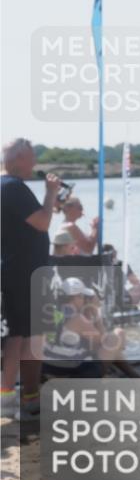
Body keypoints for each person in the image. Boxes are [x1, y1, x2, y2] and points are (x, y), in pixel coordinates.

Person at [1, 138, 59, 419]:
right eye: (32, 157)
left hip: (15, 269)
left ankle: (10, 397)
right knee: (30, 336)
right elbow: (43, 223)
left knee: (19, 334)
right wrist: (51, 193)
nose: (35, 163)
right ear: (20, 158)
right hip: (26, 272)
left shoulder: (6, 186)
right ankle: (24, 398)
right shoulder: (13, 187)